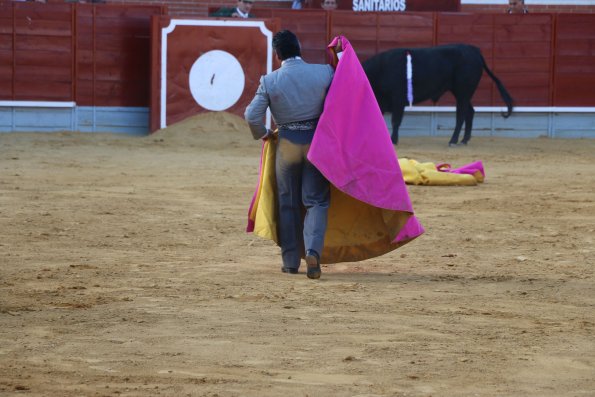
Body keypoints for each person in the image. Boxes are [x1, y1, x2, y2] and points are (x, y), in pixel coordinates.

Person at [244, 30, 334, 279]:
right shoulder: (324, 72)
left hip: (287, 145)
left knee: (288, 202)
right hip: (317, 143)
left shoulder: (270, 80)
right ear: (300, 48)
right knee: (315, 200)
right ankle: (314, 250)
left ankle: (291, 261)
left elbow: (251, 116)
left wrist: (264, 133)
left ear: (277, 55)